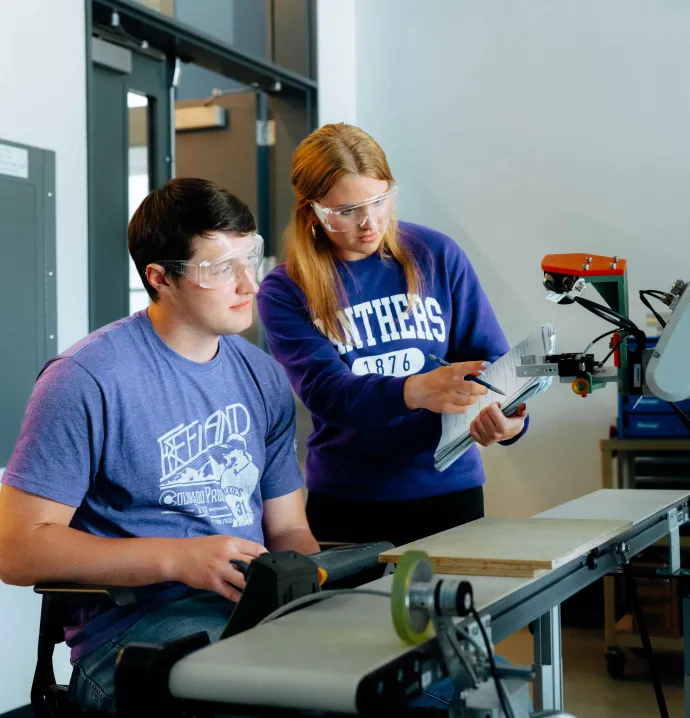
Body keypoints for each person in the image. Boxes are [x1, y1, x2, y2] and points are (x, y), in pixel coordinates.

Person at [0, 178, 319, 715]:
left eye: (251, 257)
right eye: (221, 268)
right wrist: (180, 559)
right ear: (160, 278)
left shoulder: (263, 377)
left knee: (409, 683)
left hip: (248, 613)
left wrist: (315, 589)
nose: (249, 284)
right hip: (133, 634)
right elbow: (16, 549)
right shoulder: (85, 379)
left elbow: (288, 527)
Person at [257, 123, 529, 548]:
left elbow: (492, 363)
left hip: (449, 494)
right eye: (346, 211)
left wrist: (508, 421)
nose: (369, 223)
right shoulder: (286, 288)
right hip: (350, 505)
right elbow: (328, 394)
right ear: (312, 212)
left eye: (379, 200)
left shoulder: (436, 254)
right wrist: (415, 390)